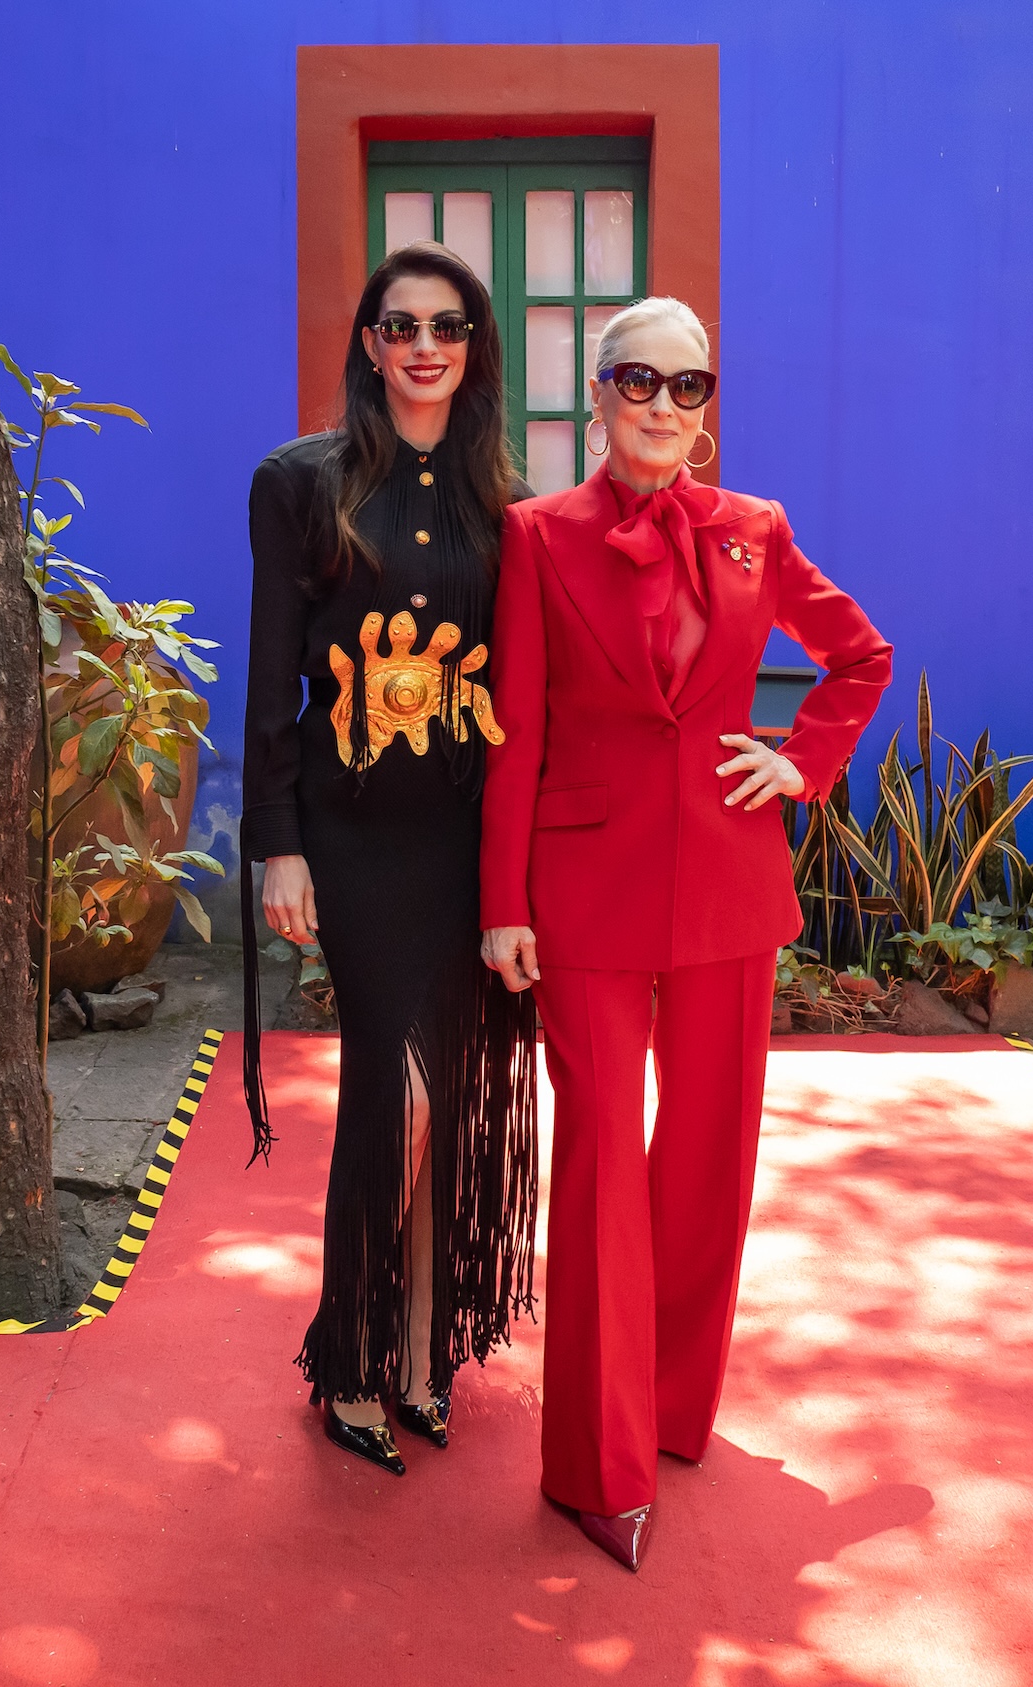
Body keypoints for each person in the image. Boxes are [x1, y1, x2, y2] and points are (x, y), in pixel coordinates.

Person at [480, 296, 892, 1568]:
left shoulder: (753, 532)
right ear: (595, 392)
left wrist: (801, 765)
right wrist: (501, 902)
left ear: (708, 408)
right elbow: (517, 735)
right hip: (583, 890)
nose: (664, 403)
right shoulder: (537, 537)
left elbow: (858, 658)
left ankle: (666, 1408)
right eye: (638, 378)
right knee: (601, 1157)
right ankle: (593, 1467)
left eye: (689, 384)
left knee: (706, 1152)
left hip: (725, 885)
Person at [241, 242, 537, 1477]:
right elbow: (271, 676)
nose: (424, 345)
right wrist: (278, 845)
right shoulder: (299, 483)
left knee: (452, 1096)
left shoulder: (498, 500)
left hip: (464, 841)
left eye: (448, 326)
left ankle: (421, 1349)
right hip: (354, 845)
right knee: (395, 1095)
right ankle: (349, 1353)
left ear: (473, 350)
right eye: (399, 324)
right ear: (367, 342)